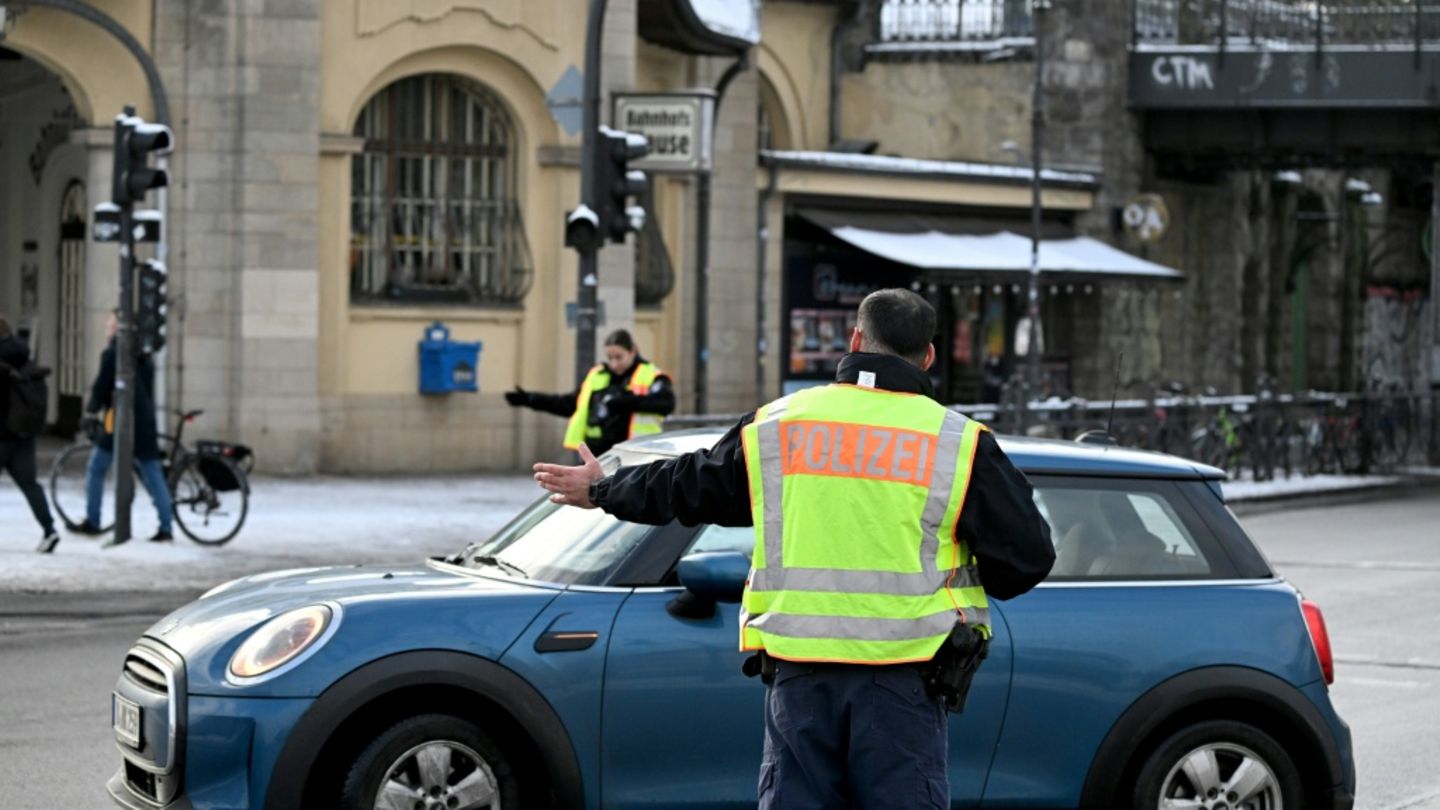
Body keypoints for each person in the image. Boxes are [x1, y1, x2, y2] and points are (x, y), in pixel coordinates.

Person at [534, 289, 1054, 809]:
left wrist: (604, 490)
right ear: (929, 356)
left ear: (854, 339)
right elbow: (1026, 560)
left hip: (800, 681)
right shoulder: (958, 442)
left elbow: (690, 483)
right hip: (905, 684)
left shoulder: (780, 424)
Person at [71, 311, 174, 545]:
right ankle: (166, 526)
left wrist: (90, 411)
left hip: (120, 422)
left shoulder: (113, 354)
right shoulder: (144, 355)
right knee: (153, 473)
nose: (107, 325)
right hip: (144, 422)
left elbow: (101, 387)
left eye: (111, 321)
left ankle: (93, 519)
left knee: (96, 468)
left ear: (120, 327)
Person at [505, 328, 675, 457]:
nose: (614, 364)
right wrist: (529, 399)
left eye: (619, 357)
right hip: (597, 455)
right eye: (610, 358)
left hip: (635, 454)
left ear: (633, 351)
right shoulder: (597, 375)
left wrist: (623, 401)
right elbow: (569, 405)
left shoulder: (652, 375)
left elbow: (666, 404)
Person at [0, 317, 61, 553]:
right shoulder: (25, 357)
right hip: (23, 434)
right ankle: (49, 529)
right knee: (30, 485)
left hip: (2, 435)